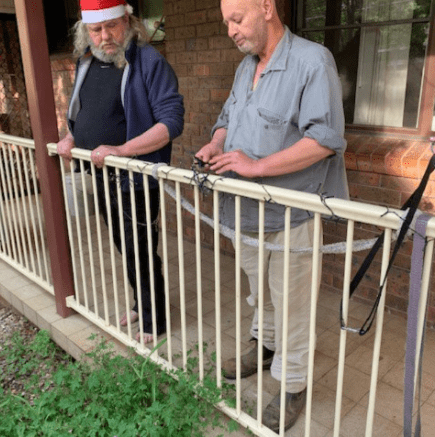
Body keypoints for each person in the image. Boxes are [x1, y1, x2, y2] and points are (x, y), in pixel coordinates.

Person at [195, 0, 348, 432]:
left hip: (292, 216)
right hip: (246, 214)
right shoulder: (247, 66)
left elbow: (325, 139)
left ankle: (293, 385)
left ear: (266, 7)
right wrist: (217, 146)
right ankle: (263, 348)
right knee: (258, 294)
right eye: (227, 21)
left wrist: (256, 166)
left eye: (236, 19)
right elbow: (227, 118)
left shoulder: (313, 61)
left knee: (292, 306)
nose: (230, 30)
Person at [57, 0, 184, 344]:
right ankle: (140, 303)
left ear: (126, 20)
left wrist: (121, 150)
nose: (104, 36)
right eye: (96, 30)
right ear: (86, 30)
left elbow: (171, 122)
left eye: (111, 26)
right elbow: (84, 112)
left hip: (135, 178)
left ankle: (154, 319)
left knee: (141, 248)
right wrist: (71, 137)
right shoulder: (87, 63)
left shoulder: (149, 62)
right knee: (123, 245)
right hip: (103, 176)